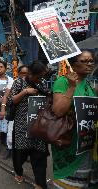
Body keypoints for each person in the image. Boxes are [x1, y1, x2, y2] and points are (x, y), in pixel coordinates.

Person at [52, 51, 98, 189]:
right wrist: (72, 87)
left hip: (86, 144)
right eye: (85, 61)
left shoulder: (89, 85)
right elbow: (58, 111)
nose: (89, 64)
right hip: (69, 145)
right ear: (73, 64)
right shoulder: (63, 81)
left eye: (91, 61)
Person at [9, 61, 49, 189]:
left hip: (39, 125)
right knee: (20, 153)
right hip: (22, 125)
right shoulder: (19, 83)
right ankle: (18, 171)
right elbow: (12, 99)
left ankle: (40, 183)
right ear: (31, 73)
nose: (40, 79)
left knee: (40, 155)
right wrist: (25, 92)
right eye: (38, 76)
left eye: (42, 76)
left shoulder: (42, 83)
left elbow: (48, 98)